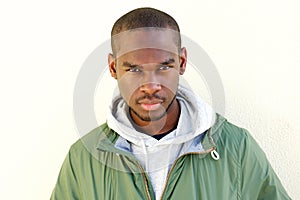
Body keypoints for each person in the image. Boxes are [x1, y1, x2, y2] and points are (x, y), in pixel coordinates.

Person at [51, 7, 291, 200]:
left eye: (164, 67)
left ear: (182, 62)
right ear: (114, 68)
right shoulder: (83, 157)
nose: (151, 85)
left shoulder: (236, 148)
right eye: (134, 69)